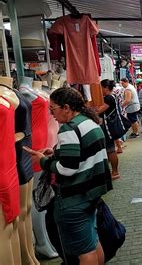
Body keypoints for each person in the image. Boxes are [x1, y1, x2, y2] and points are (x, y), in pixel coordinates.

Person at [25, 87, 110, 264]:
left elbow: (67, 169)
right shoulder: (88, 122)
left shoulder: (69, 129)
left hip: (75, 197)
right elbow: (83, 154)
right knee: (92, 243)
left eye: (53, 109)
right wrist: (57, 152)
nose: (52, 114)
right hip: (91, 193)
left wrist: (43, 161)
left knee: (84, 251)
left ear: (66, 107)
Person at [97, 79, 120, 180]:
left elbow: (99, 110)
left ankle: (115, 172)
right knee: (109, 149)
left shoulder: (109, 98)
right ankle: (112, 171)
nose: (100, 90)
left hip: (107, 126)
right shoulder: (112, 95)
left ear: (105, 87)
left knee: (110, 150)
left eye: (101, 87)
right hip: (109, 125)